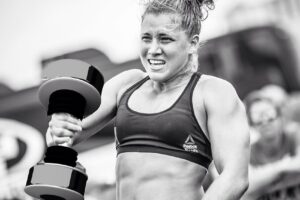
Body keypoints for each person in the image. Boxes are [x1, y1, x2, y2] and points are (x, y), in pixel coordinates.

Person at [47, 0, 250, 199]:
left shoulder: (212, 91)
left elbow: (235, 178)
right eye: (146, 38)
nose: (153, 49)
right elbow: (63, 137)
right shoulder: (126, 84)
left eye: (165, 39)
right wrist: (59, 124)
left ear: (192, 44)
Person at [242, 91, 300, 200]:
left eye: (270, 115)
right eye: (258, 118)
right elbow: (246, 187)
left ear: (280, 116)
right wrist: (283, 167)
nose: (265, 121)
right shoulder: (248, 153)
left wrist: (265, 181)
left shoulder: (295, 134)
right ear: (251, 124)